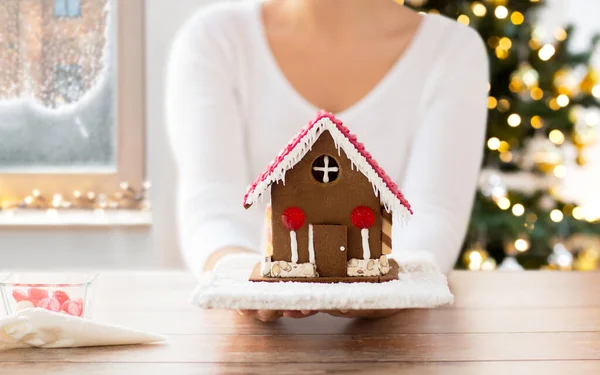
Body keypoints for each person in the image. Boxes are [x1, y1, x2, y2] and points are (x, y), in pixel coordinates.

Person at [166, 0, 488, 322]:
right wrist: (245, 284)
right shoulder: (215, 39)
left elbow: (433, 217)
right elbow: (212, 205)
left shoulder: (453, 51)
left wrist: (379, 288)